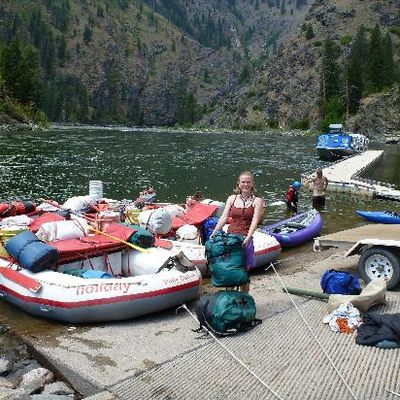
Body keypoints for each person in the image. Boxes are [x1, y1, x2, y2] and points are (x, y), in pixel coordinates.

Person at [211, 171, 264, 293]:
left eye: (248, 182)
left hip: (245, 238)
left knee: (243, 273)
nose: (245, 184)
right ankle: (231, 299)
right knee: (230, 271)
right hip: (230, 238)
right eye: (243, 182)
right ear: (239, 184)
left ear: (252, 184)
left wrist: (248, 237)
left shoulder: (258, 201)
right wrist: (214, 232)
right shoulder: (232, 198)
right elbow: (224, 217)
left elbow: (255, 221)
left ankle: (244, 298)